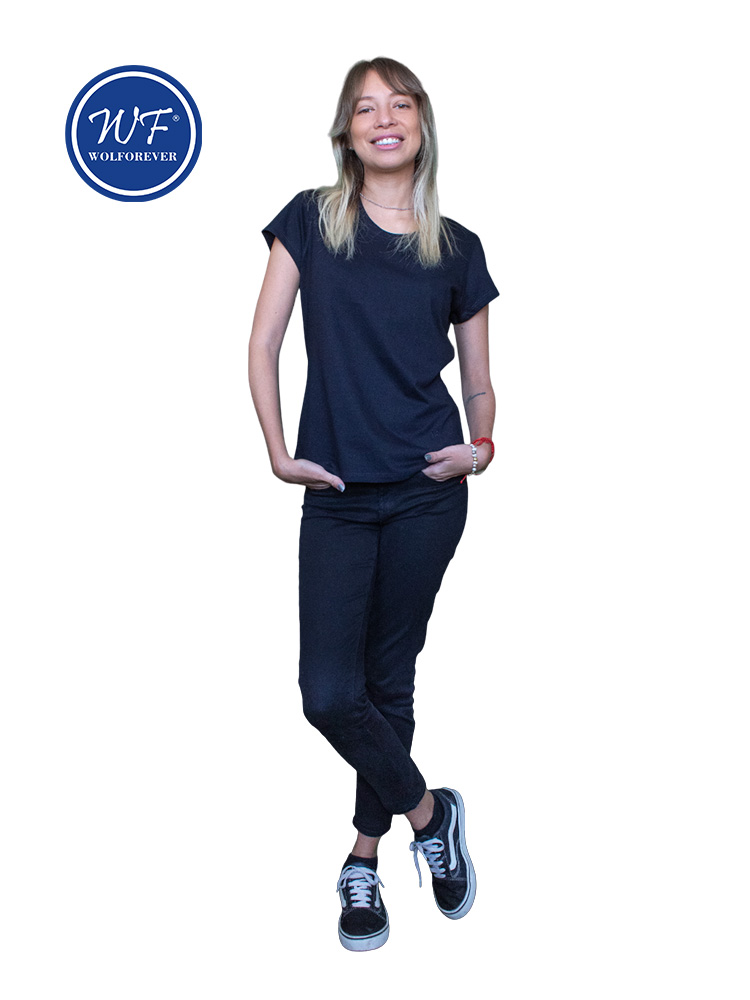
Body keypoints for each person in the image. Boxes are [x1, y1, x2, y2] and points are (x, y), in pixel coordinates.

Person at [247, 56, 499, 952]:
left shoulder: (456, 246)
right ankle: (432, 815)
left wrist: (482, 447)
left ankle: (364, 859)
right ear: (346, 132)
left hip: (429, 496)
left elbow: (478, 381)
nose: (383, 119)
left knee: (388, 682)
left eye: (399, 104)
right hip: (341, 494)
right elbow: (264, 342)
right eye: (365, 108)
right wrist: (279, 452)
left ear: (421, 123)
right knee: (329, 693)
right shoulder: (310, 222)